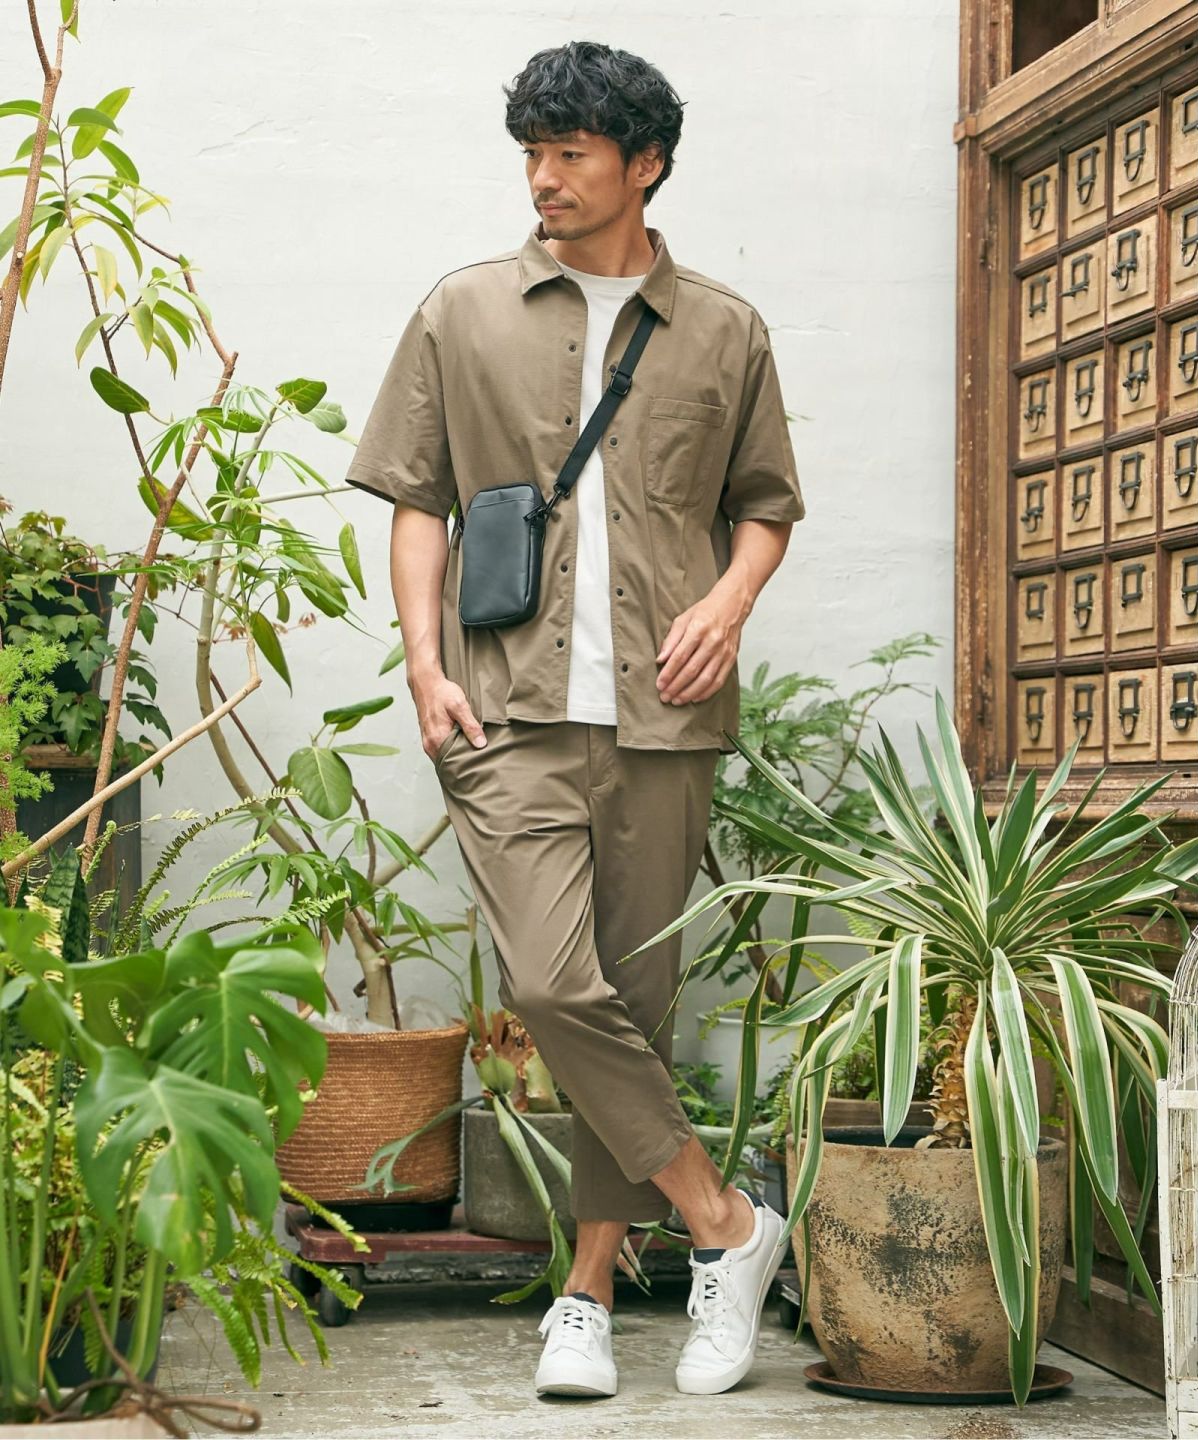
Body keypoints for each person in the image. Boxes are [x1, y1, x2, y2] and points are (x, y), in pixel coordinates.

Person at [344, 39, 807, 1400]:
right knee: (554, 986)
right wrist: (423, 664)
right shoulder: (463, 312)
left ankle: (588, 1295)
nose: (543, 178)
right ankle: (729, 1224)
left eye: (571, 154)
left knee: (635, 1006)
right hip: (505, 705)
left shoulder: (725, 329)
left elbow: (765, 506)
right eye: (532, 155)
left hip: (664, 714)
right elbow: (418, 500)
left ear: (643, 163)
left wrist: (729, 601)